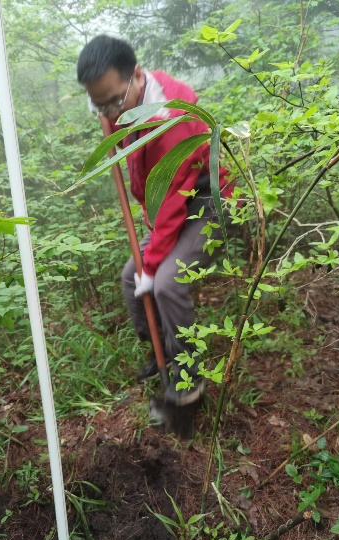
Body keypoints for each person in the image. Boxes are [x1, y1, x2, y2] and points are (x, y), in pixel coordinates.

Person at [77, 35, 233, 406]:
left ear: (137, 74)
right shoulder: (122, 108)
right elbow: (151, 191)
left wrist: (154, 261)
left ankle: (188, 380)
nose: (110, 113)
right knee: (131, 277)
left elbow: (173, 199)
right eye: (99, 104)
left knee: (164, 283)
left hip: (208, 202)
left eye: (115, 100)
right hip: (169, 206)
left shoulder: (172, 118)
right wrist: (109, 114)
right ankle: (161, 352)